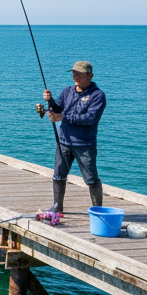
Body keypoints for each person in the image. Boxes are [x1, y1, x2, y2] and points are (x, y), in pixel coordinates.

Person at [44, 60, 106, 212]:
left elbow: (90, 118)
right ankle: (57, 207)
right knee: (58, 175)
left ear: (90, 76)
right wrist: (50, 101)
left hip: (85, 144)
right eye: (74, 74)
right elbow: (58, 108)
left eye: (79, 74)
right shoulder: (67, 91)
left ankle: (98, 210)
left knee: (91, 179)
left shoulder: (98, 96)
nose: (75, 77)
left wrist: (63, 117)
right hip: (64, 141)